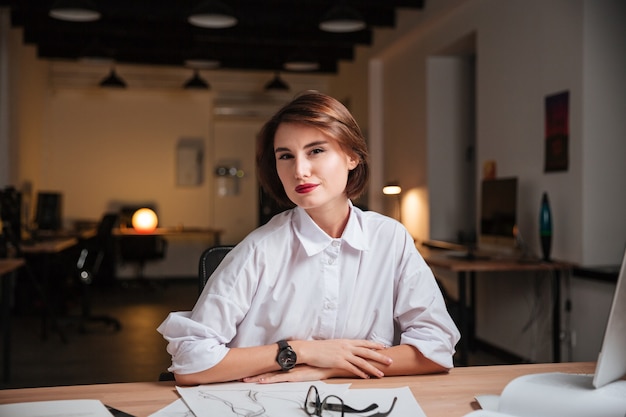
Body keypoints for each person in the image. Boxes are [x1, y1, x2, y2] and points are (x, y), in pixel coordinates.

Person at [158, 91, 460, 385]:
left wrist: (333, 368)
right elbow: (190, 361)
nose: (300, 171)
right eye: (286, 156)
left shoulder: (389, 238)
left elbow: (436, 349)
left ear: (352, 156)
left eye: (316, 151)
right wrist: (301, 352)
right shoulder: (258, 249)